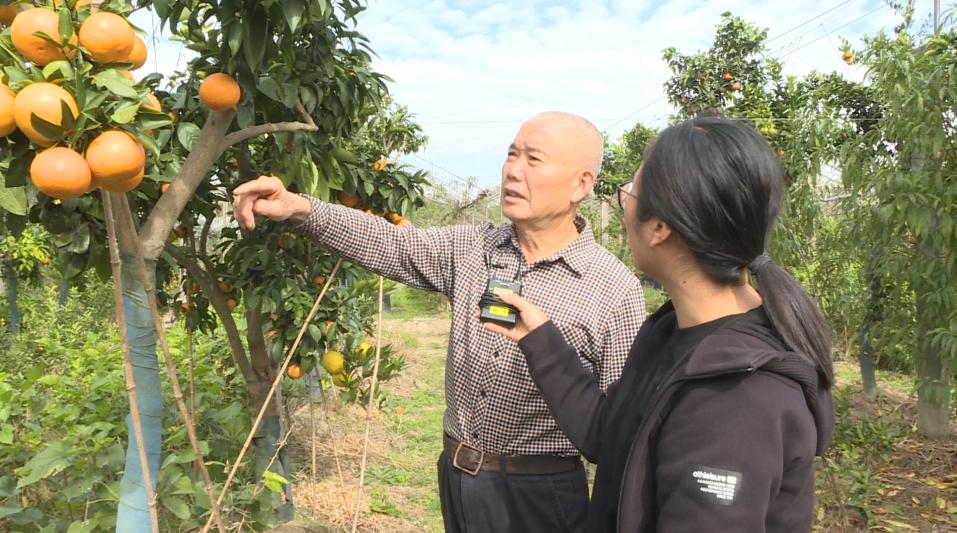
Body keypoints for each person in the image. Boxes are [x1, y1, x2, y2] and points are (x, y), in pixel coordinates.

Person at [232, 112, 646, 532]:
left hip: (541, 495)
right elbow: (390, 242)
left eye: (533, 160)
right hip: (458, 477)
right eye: (511, 155)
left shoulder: (613, 289)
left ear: (581, 184)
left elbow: (619, 430)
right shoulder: (473, 247)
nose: (512, 171)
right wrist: (301, 208)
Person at [485, 115, 835, 532]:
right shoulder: (672, 333)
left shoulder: (736, 394)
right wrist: (540, 339)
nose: (624, 204)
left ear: (659, 228)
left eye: (630, 192)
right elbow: (609, 436)